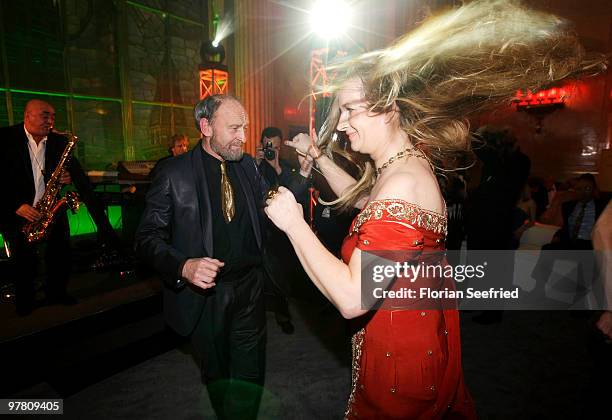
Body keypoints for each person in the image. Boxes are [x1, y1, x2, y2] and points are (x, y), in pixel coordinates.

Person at [263, 1, 605, 417]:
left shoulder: (403, 183)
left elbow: (354, 297)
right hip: (410, 345)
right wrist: (319, 159)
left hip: (400, 367)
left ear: (389, 107)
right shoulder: (403, 167)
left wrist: (294, 224)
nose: (343, 123)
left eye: (350, 110)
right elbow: (366, 203)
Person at [135, 94, 309, 420]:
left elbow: (271, 202)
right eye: (234, 128)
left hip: (251, 287)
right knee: (218, 374)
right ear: (206, 127)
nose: (243, 137)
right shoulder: (174, 173)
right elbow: (146, 239)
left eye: (244, 127)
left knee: (251, 372)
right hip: (207, 296)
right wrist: (184, 266)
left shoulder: (245, 165)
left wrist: (301, 174)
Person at [0, 99, 121, 316]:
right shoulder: (4, 139)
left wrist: (68, 179)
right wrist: (16, 205)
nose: (51, 121)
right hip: (19, 210)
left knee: (61, 254)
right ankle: (25, 302)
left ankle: (57, 293)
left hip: (51, 207)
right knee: (23, 260)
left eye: (53, 116)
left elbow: (74, 176)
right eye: (45, 115)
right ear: (27, 116)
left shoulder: (58, 142)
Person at [255, 126, 310, 334]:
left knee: (279, 277)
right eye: (269, 146)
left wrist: (277, 166)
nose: (272, 150)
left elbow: (294, 193)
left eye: (276, 147)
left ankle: (282, 314)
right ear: (261, 144)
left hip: (278, 234)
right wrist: (258, 163)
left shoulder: (284, 166)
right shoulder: (252, 165)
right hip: (259, 230)